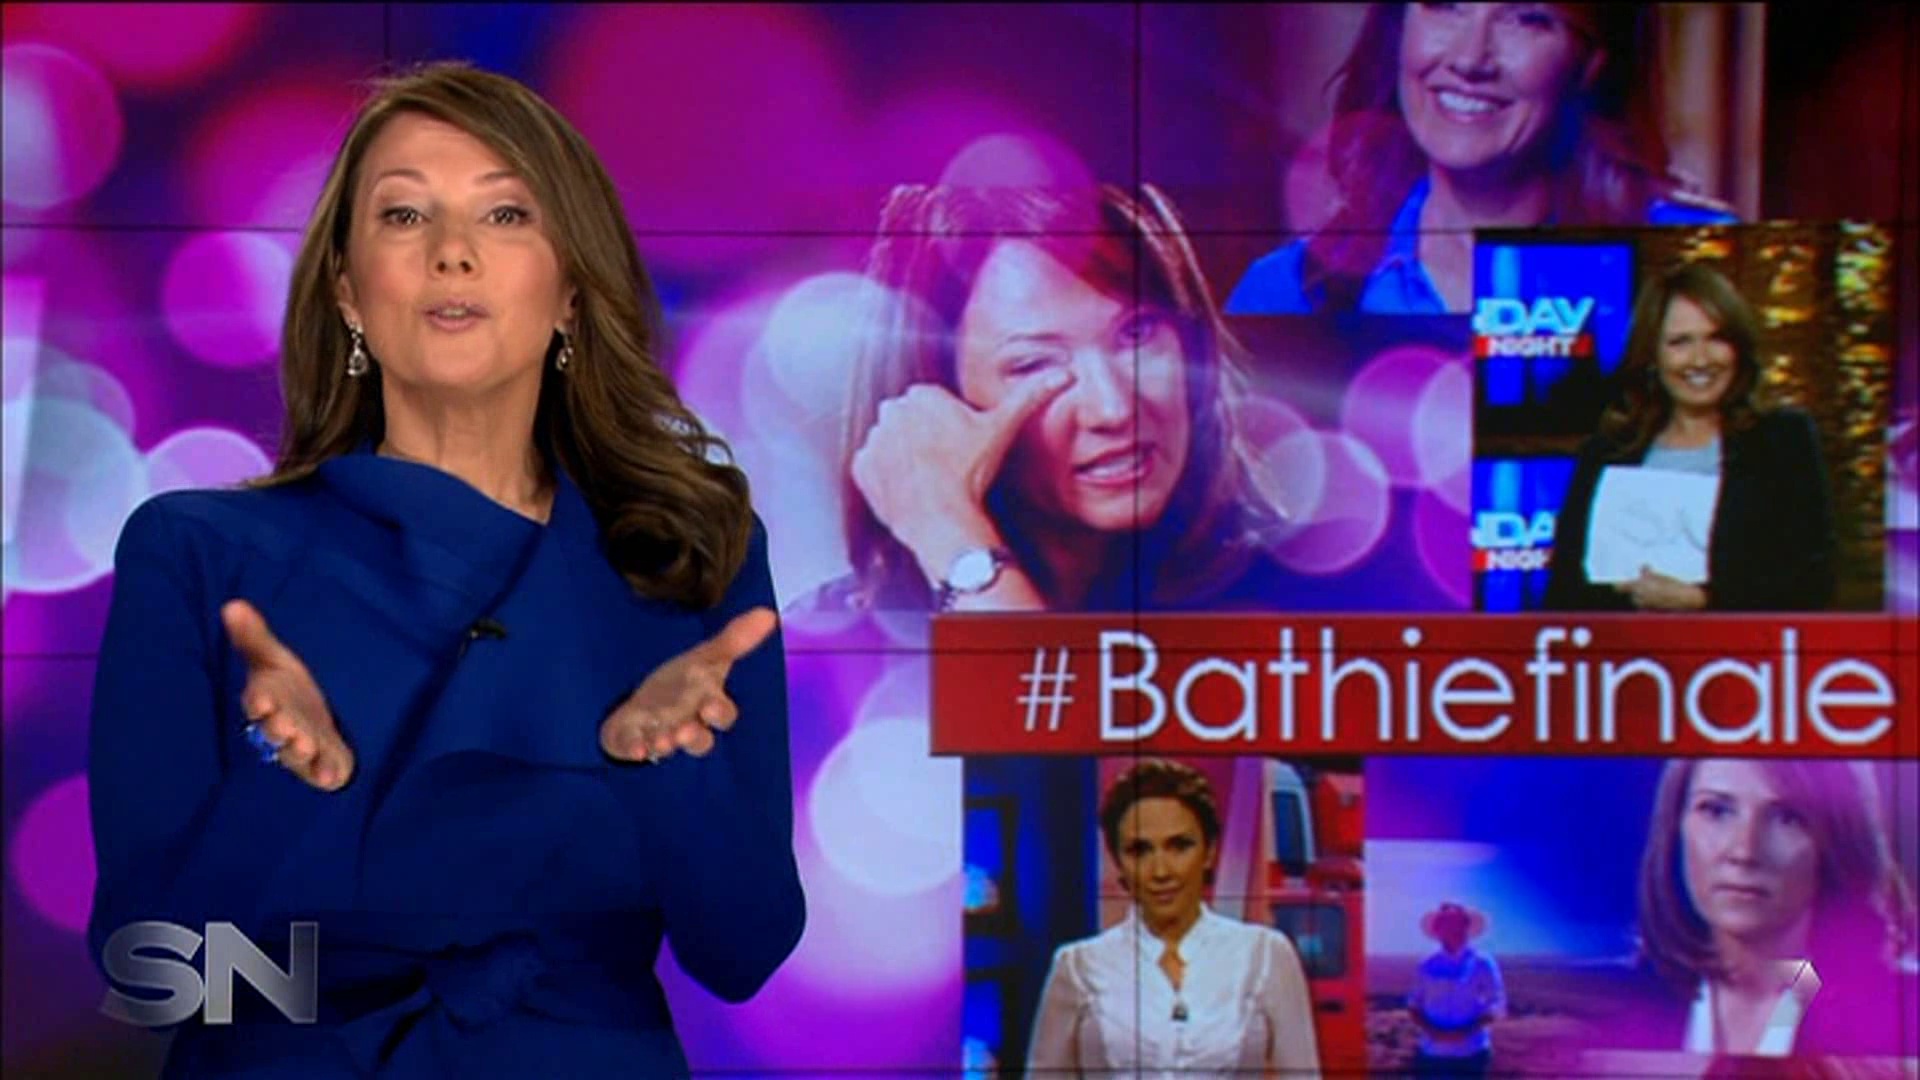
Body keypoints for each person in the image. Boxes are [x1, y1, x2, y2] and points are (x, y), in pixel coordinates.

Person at [85, 62, 804, 1078]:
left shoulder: (688, 553)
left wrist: (667, 769)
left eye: (505, 214)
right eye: (404, 215)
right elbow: (151, 974)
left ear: (569, 289)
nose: (453, 252)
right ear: (347, 290)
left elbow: (744, 951)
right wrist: (290, 782)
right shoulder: (199, 551)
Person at [808, 183, 1360, 615]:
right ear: (936, 400)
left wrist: (967, 565)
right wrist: (947, 531)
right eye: (1034, 365)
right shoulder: (823, 656)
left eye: (1137, 334)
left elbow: (1059, 732)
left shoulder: (1319, 600)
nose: (1114, 409)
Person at [1228, 2, 1735, 315]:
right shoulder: (1285, 292)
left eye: (1526, 18)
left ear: (1591, 64)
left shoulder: (1699, 262)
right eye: (1445, 5)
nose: (1470, 59)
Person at [1542, 261, 1835, 611]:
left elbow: (1813, 583)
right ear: (1652, 355)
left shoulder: (1782, 441)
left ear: (1738, 349)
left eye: (1716, 338)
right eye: (1680, 342)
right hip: (1626, 646)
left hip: (1740, 648)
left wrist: (1703, 601)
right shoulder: (1607, 453)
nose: (1700, 360)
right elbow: (1564, 593)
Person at [1026, 760, 1321, 1077]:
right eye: (1140, 850)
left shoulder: (1264, 956)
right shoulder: (1079, 966)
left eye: (1179, 846)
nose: (1161, 871)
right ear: (1119, 862)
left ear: (1209, 852)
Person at [1611, 759, 1918, 1060]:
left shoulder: (1903, 1015)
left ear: (1836, 842)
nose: (1744, 852)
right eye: (1716, 811)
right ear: (1676, 827)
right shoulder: (1607, 1011)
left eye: (1787, 818)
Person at [1406, 902, 1507, 1076]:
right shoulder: (1427, 964)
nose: (1453, 930)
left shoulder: (1482, 963)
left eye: (1458, 924)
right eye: (1447, 924)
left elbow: (1496, 1003)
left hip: (1471, 1053)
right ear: (1438, 930)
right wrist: (1433, 1031)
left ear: (1466, 928)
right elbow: (1414, 1005)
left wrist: (1466, 1031)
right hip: (1433, 1053)